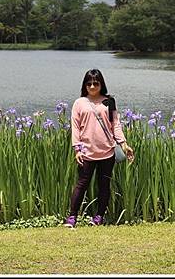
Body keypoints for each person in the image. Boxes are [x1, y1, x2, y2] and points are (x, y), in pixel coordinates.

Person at [64, 69, 134, 229]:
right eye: (89, 83)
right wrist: (77, 149)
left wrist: (124, 144)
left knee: (104, 185)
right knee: (81, 184)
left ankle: (98, 217)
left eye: (96, 83)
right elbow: (75, 127)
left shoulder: (109, 101)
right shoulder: (79, 103)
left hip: (107, 151)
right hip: (86, 151)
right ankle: (72, 217)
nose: (93, 86)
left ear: (101, 84)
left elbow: (115, 124)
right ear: (85, 85)